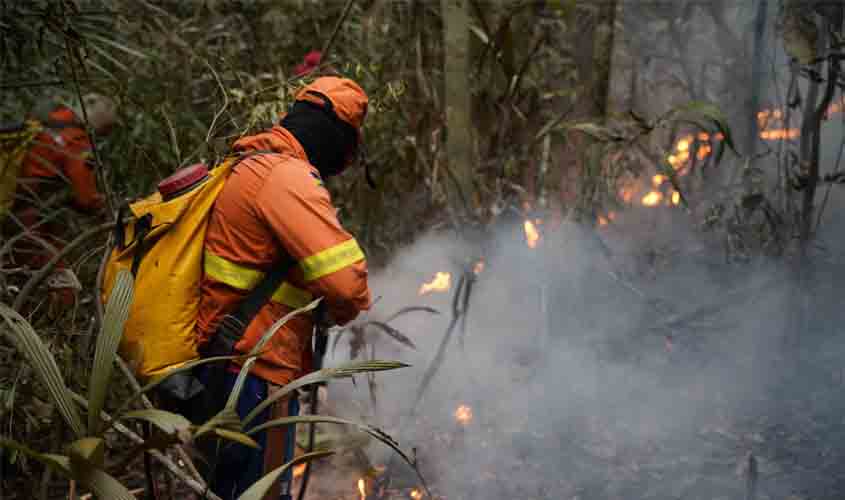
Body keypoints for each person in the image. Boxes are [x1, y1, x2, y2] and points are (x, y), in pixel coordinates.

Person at [195, 76, 372, 499]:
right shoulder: (285, 177)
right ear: (334, 139)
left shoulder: (254, 162)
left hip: (226, 365)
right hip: (257, 372)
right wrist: (341, 309)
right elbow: (348, 286)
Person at [7, 93, 115, 306]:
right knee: (65, 287)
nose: (103, 134)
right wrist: (109, 211)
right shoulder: (74, 137)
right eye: (107, 125)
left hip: (18, 217)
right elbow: (85, 198)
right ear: (94, 111)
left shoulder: (48, 123)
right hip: (30, 223)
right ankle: (42, 336)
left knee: (22, 279)